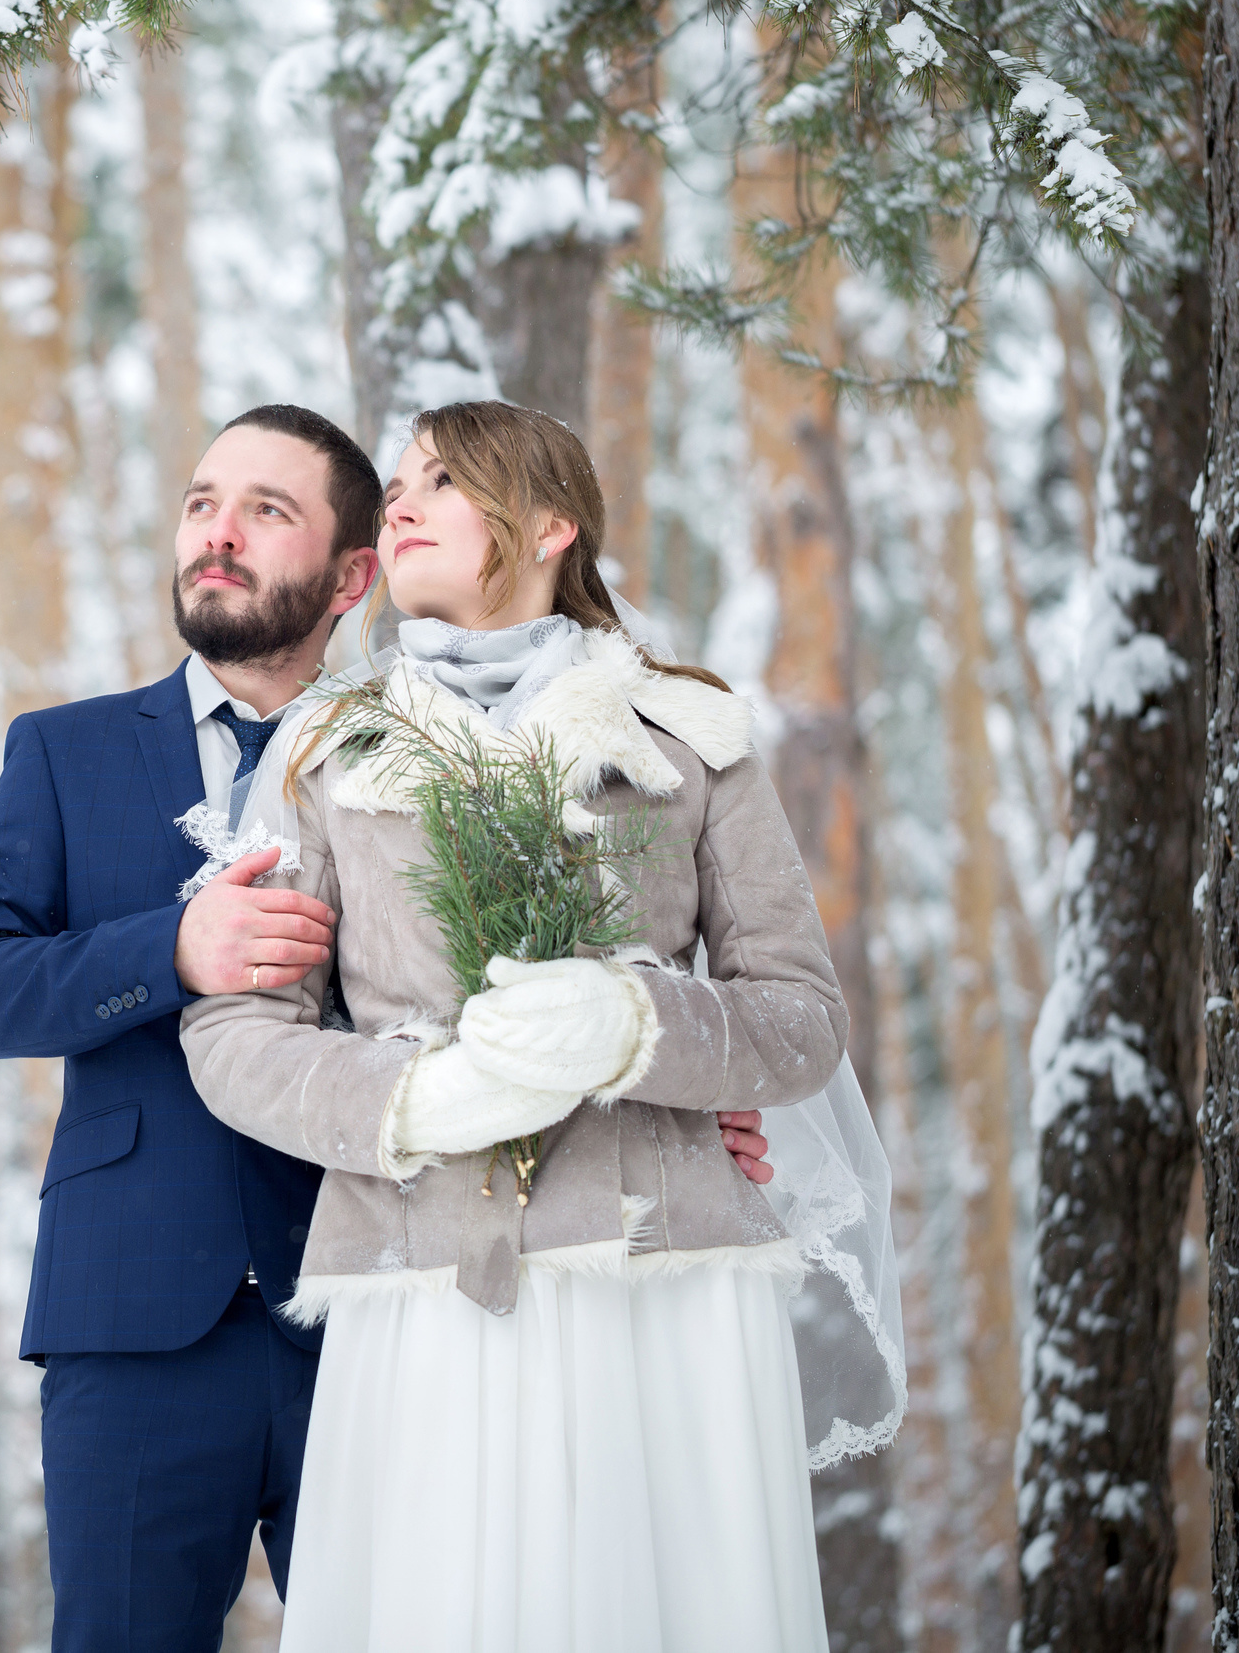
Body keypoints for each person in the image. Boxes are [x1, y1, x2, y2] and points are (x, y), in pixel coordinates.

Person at [0, 403, 783, 1652]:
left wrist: (662, 1079)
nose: (216, 535)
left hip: (402, 1294)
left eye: (266, 512)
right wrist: (165, 952)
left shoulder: (431, 741)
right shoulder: (64, 755)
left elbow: (526, 974)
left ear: (351, 574)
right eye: (202, 504)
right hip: (137, 1321)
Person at [179, 399, 903, 1653]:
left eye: (442, 481)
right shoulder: (325, 748)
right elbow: (236, 1036)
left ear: (552, 522)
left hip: (664, 1286)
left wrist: (633, 1025)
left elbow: (796, 1021)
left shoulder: (689, 731)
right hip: (422, 1284)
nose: (397, 503)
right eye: (395, 483)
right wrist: (411, 1104)